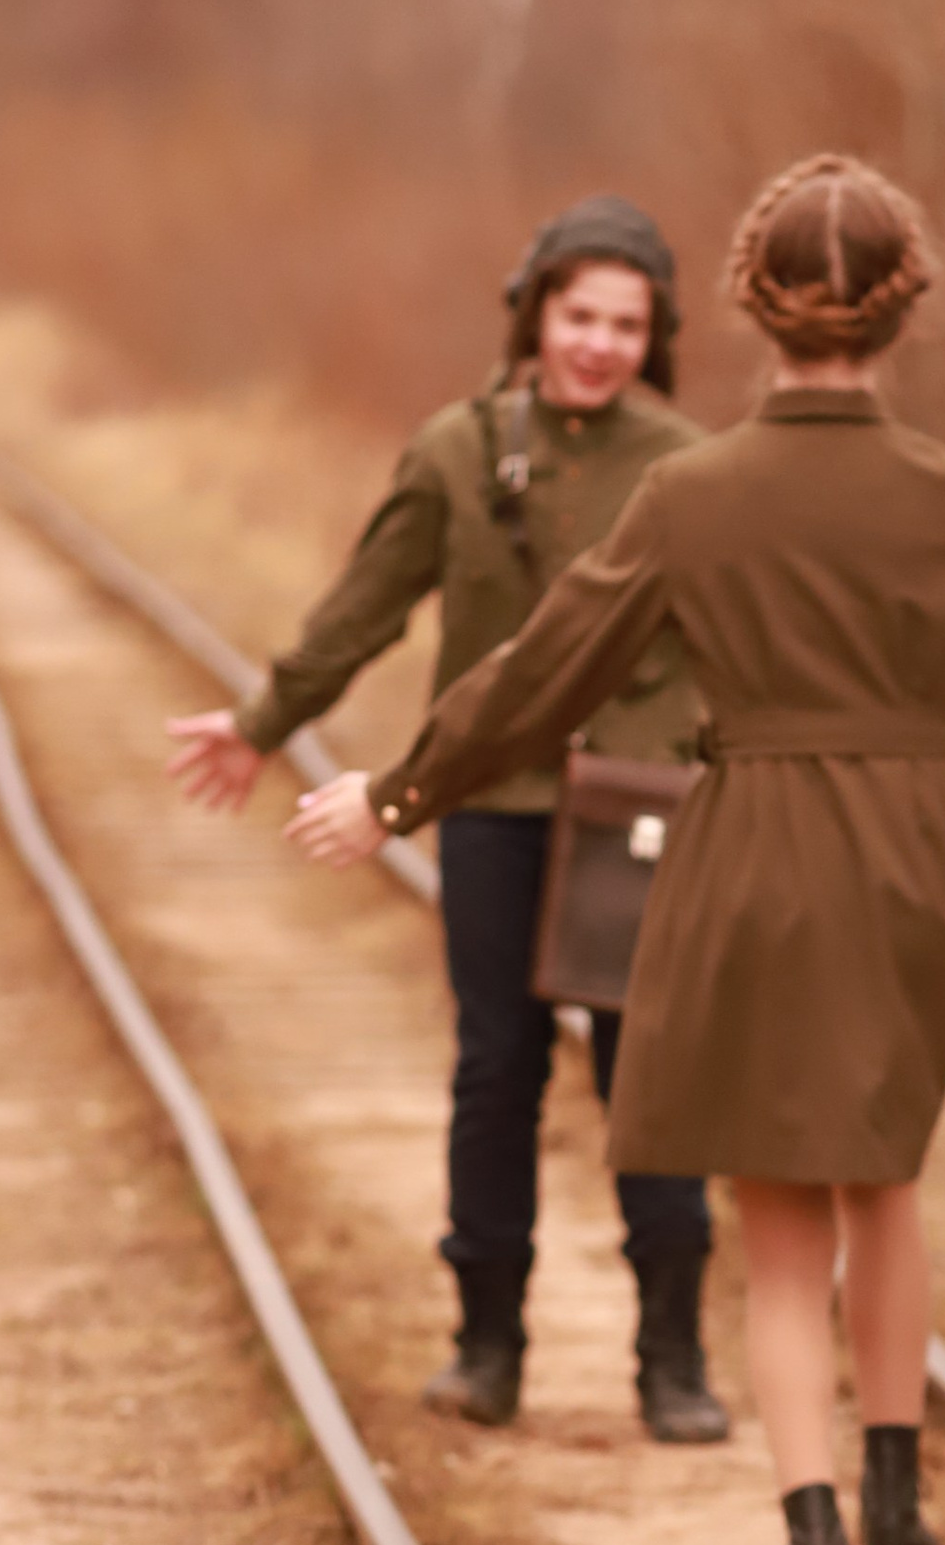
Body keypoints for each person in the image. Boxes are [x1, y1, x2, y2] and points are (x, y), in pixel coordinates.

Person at [287, 153, 945, 1545]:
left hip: (754, 853)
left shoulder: (690, 497)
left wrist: (398, 792)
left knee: (781, 1220)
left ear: (743, 308)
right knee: (886, 1180)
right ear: (901, 311)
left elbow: (536, 683)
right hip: (916, 853)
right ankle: (902, 1504)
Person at [166, 195, 727, 1444]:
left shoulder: (690, 464)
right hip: (496, 810)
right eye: (579, 314)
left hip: (640, 812)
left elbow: (748, 639)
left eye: (626, 323)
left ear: (657, 334)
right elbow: (365, 607)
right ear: (535, 309)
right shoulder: (457, 453)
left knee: (653, 1080)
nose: (597, 342)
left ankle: (674, 1360)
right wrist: (262, 720)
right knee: (496, 1072)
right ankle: (487, 1347)